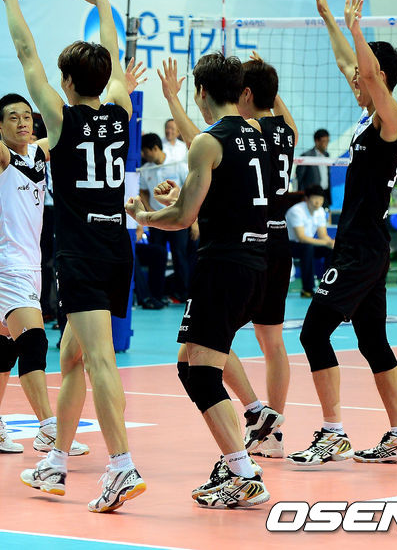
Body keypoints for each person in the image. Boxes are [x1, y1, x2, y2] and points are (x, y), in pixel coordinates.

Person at [0, 0, 145, 512]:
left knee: (98, 360)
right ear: (104, 79)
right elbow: (112, 55)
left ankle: (122, 466)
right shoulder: (121, 111)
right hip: (117, 247)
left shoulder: (59, 119)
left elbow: (25, 52)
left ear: (65, 80)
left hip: (81, 252)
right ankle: (55, 462)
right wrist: (104, 3)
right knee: (72, 357)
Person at [127, 52, 271, 509]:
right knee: (190, 365)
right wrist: (189, 198)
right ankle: (247, 436)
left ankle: (243, 474)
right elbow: (225, 197)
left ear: (202, 92)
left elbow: (184, 216)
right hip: (254, 263)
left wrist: (144, 215)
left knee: (202, 375)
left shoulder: (208, 142)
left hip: (223, 266)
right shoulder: (259, 134)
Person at [287, 0, 397, 466]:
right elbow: (351, 64)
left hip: (362, 249)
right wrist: (329, 19)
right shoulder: (367, 116)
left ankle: (333, 432)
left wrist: (358, 30)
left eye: (362, 79)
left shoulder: (391, 121)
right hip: (360, 246)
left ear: (377, 77)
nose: (353, 82)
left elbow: (366, 72)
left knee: (313, 333)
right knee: (373, 340)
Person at [156, 55, 294, 462]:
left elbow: (207, 145)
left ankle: (243, 456)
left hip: (233, 252)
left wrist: (151, 213)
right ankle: (262, 421)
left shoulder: (231, 135)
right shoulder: (279, 133)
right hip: (270, 244)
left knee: (201, 359)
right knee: (256, 343)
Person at [0, 43, 88, 458]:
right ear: (0, 127)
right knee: (34, 341)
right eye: (13, 118)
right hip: (7, 267)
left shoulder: (38, 153)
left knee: (5, 347)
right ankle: (49, 428)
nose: (23, 122)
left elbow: (70, 129)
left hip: (31, 267)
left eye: (26, 116)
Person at [140, 132, 190, 301]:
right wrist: (149, 211)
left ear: (155, 148)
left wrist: (194, 220)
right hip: (157, 220)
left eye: (145, 151)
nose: (143, 155)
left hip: (177, 218)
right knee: (158, 257)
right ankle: (157, 295)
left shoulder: (178, 165)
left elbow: (190, 190)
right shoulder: (146, 169)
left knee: (179, 255)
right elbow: (143, 191)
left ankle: (183, 294)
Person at [286, 184, 334, 297]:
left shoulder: (320, 211)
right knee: (308, 248)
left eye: (321, 199)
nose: (318, 202)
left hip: (308, 244)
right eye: (315, 198)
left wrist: (331, 243)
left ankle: (328, 287)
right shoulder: (296, 211)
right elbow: (301, 238)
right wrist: (327, 242)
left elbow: (323, 235)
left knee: (330, 250)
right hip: (290, 245)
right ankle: (307, 289)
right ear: (307, 198)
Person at [296, 128, 331, 206]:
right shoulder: (306, 156)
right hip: (311, 196)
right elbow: (299, 178)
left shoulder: (327, 155)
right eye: (324, 141)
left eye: (328, 141)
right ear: (316, 141)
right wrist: (302, 196)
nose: (326, 144)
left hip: (324, 194)